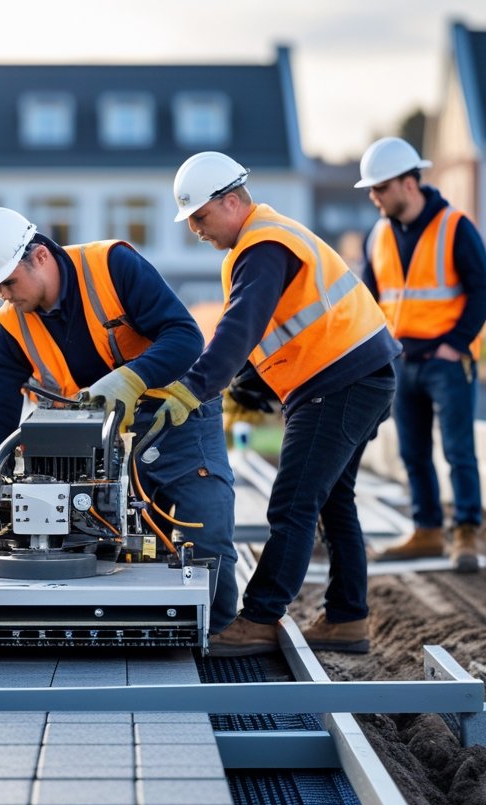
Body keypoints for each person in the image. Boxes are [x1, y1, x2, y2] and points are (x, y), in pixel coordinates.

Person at [0, 206, 238, 635]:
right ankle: (146, 632)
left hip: (174, 419)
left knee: (206, 530)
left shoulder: (111, 266)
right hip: (95, 449)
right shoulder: (7, 330)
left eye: (8, 282)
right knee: (120, 546)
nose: (4, 296)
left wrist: (130, 379)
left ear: (39, 256)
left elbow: (185, 336)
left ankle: (218, 634)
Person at [164, 151, 400, 657]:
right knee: (332, 501)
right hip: (360, 375)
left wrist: (195, 386)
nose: (196, 230)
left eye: (200, 216)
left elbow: (240, 326)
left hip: (338, 382)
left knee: (293, 502)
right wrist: (244, 384)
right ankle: (348, 618)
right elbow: (274, 331)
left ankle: (260, 617)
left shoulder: (263, 246)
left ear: (231, 201)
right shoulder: (267, 240)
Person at [355, 137, 486, 573]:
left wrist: (455, 345)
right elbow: (368, 300)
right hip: (401, 361)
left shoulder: (455, 227)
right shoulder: (378, 235)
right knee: (413, 453)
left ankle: (466, 532)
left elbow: (483, 292)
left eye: (380, 188)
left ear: (409, 183)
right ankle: (428, 530)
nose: (374, 197)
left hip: (446, 362)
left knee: (458, 450)